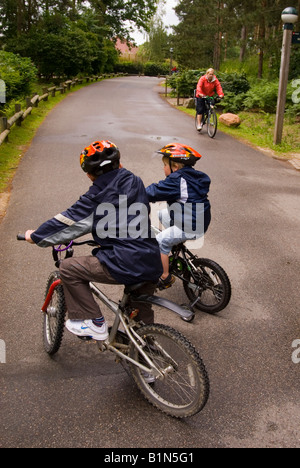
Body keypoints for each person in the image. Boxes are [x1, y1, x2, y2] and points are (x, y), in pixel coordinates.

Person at [24, 140, 163, 340]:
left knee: (68, 268)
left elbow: (67, 222)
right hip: (151, 259)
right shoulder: (135, 181)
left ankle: (94, 321)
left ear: (89, 175)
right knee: (140, 314)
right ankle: (148, 361)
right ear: (120, 163)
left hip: (123, 262)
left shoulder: (95, 197)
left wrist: (35, 236)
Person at [146, 143, 211, 290]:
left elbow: (154, 191)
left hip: (191, 224)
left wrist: (136, 194)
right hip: (198, 219)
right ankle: (175, 246)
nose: (163, 168)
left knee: (160, 241)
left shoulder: (177, 181)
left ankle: (165, 277)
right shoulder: (192, 176)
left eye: (164, 165)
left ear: (174, 166)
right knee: (162, 214)